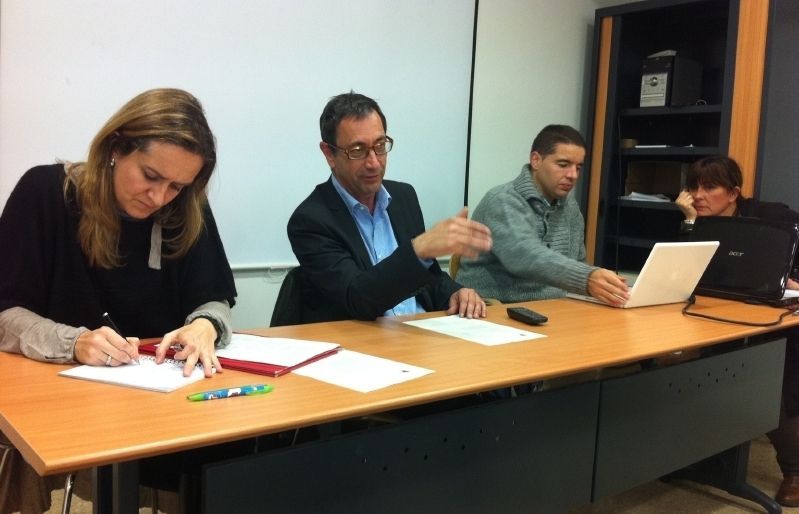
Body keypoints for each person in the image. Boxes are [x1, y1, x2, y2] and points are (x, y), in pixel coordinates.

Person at [0, 88, 237, 513]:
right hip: (61, 410)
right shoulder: (46, 193)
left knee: (237, 456)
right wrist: (72, 342)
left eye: (177, 186)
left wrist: (204, 325)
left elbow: (216, 297)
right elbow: (5, 313)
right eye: (149, 175)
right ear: (115, 148)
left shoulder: (185, 207)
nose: (160, 197)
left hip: (160, 408)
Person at [287, 91, 492, 323]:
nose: (374, 162)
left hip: (421, 337)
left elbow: (427, 277)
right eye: (357, 151)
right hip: (366, 347)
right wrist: (419, 249)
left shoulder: (403, 197)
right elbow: (356, 298)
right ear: (329, 154)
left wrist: (456, 291)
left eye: (380, 145)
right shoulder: (310, 220)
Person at [676, 154, 799, 507]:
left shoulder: (773, 216)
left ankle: (794, 468)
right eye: (692, 187)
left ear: (732, 193)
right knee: (701, 368)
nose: (698, 195)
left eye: (709, 187)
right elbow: (682, 276)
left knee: (770, 377)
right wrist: (689, 223)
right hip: (718, 319)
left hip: (778, 320)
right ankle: (705, 453)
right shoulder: (698, 224)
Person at [456, 124, 629, 306]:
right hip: (494, 309)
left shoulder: (570, 206)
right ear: (536, 160)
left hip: (554, 309)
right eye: (563, 165)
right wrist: (587, 278)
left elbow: (578, 260)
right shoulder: (502, 201)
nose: (573, 175)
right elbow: (524, 256)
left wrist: (608, 288)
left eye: (578, 167)